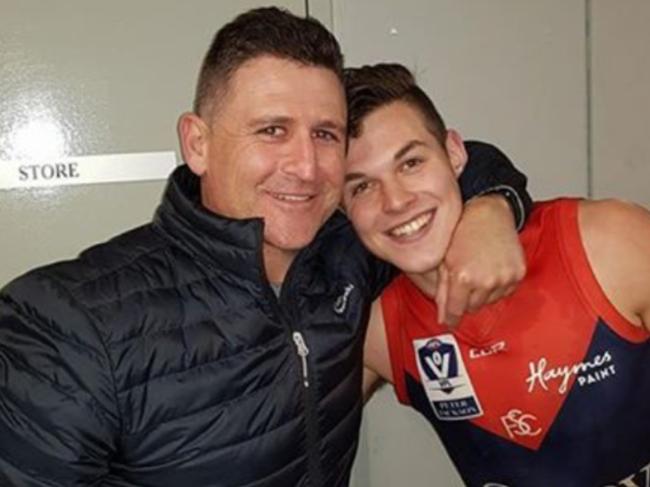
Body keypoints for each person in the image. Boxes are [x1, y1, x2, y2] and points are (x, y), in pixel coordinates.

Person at [0, 8, 531, 487]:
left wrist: (492, 209)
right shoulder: (64, 323)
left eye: (326, 135)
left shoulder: (350, 253)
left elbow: (451, 163)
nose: (305, 166)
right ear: (198, 144)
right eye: (273, 130)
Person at [344, 63, 650, 487]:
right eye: (361, 186)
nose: (395, 201)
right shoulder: (374, 333)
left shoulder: (610, 242)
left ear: (454, 153)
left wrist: (494, 203)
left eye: (411, 162)